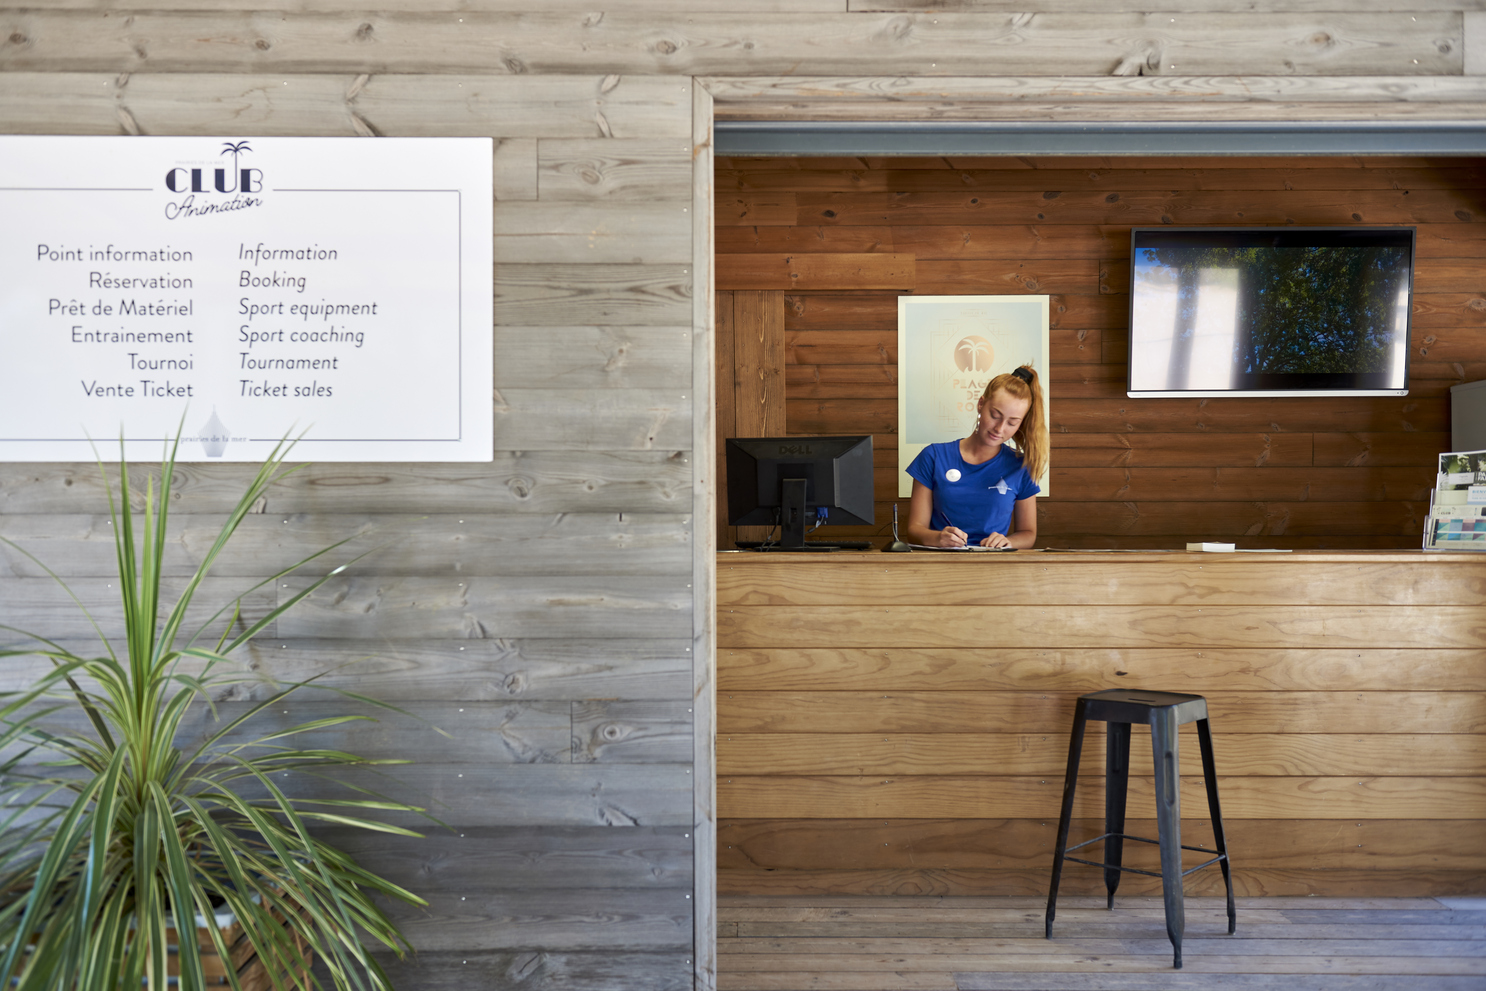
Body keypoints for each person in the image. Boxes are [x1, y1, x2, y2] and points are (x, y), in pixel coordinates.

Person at [904, 365, 1048, 549]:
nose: (1000, 429)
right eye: (995, 415)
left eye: (1012, 423)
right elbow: (915, 529)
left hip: (993, 563)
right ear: (981, 404)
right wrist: (937, 538)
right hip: (940, 562)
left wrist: (1008, 542)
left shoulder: (1021, 466)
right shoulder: (933, 456)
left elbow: (1028, 533)